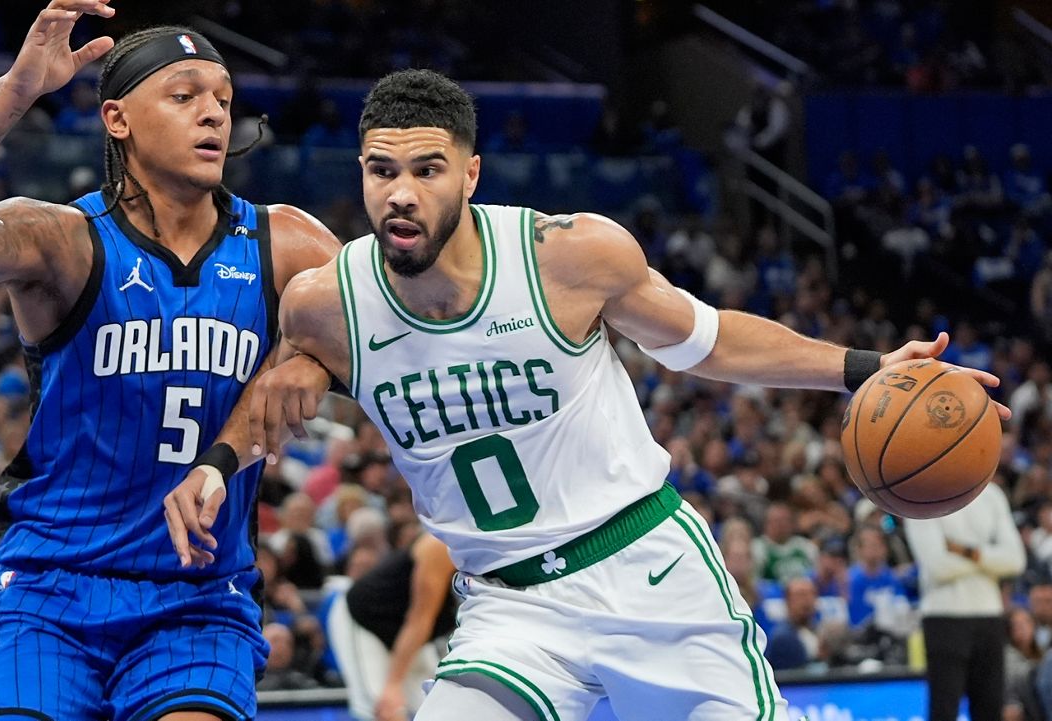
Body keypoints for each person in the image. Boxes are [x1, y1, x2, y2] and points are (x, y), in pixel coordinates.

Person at [253, 68, 1010, 720]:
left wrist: (863, 365)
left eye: (428, 168)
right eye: (383, 171)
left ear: (472, 173)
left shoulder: (568, 255)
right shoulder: (327, 304)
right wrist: (298, 367)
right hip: (511, 608)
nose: (403, 192)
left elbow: (709, 338)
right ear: (359, 171)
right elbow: (299, 349)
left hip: (646, 574)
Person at [0, 2, 339, 719]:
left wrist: (315, 365)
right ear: (117, 119)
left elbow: (393, 327)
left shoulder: (288, 243)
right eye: (184, 96)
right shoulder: (63, 239)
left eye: (223, 97)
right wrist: (16, 92)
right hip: (49, 585)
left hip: (199, 593)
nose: (213, 113)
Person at [905, 480, 1025, 721]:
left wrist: (962, 550)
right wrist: (988, 559)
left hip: (990, 615)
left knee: (991, 710)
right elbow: (936, 565)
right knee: (944, 710)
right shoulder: (918, 493)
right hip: (943, 616)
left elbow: (1015, 560)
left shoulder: (992, 494)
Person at [328, 530, 456, 721]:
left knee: (437, 704)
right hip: (365, 620)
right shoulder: (440, 545)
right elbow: (419, 619)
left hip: (411, 634)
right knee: (384, 707)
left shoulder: (500, 552)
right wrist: (393, 684)